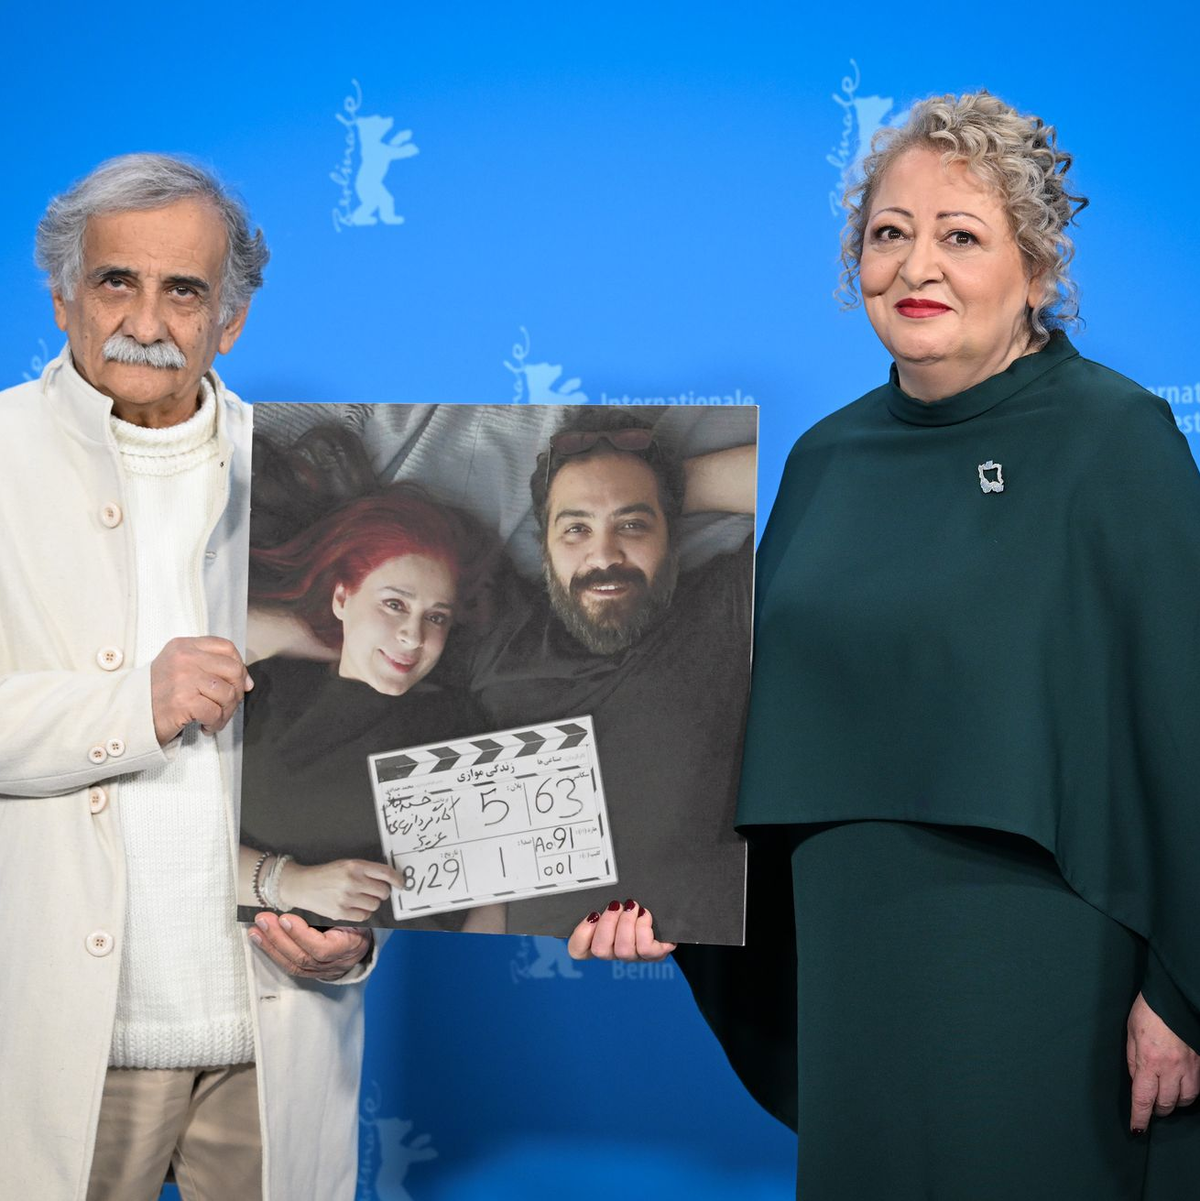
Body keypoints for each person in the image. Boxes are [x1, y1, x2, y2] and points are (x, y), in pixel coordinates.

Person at [571, 93, 1200, 1198]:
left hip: (1047, 971)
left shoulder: (1116, 442)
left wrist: (1187, 992)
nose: (919, 263)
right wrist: (663, 889)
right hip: (852, 964)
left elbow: (1189, 723)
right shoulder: (826, 459)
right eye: (889, 232)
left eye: (962, 234)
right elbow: (746, 726)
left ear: (1039, 269)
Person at [0, 154, 374, 1201]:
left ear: (232, 320)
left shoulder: (312, 476)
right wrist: (133, 705)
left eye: (185, 290)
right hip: (68, 1039)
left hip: (269, 1028)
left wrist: (353, 936)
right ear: (64, 293)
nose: (145, 318)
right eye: (117, 280)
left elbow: (370, 748)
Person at [472, 407, 755, 944]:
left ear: (673, 531)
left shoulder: (726, 609)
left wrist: (673, 483)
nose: (604, 555)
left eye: (631, 525)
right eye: (576, 527)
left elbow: (837, 485)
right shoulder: (492, 637)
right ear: (543, 546)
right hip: (507, 976)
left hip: (703, 971)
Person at [240, 478, 505, 933]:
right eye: (394, 604)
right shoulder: (265, 684)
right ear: (342, 597)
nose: (414, 636)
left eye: (435, 617)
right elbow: (175, 842)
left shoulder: (459, 723)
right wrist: (293, 883)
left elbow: (493, 894)